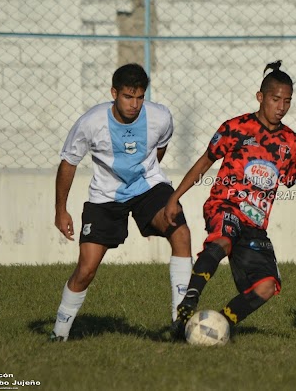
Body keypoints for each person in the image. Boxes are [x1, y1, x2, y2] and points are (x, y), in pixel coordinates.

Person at [164, 60, 296, 340]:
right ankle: (188, 303)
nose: (282, 107)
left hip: (254, 224)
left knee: (267, 286)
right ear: (261, 97)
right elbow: (204, 162)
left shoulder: (292, 143)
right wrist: (175, 197)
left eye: (287, 101)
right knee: (222, 240)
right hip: (224, 206)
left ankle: (221, 323)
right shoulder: (236, 128)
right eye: (276, 99)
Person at [50, 63, 192, 341]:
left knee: (181, 232)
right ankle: (59, 334)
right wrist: (60, 210)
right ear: (114, 93)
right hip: (105, 197)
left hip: (147, 187)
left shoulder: (160, 116)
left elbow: (161, 145)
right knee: (86, 269)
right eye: (128, 97)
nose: (135, 104)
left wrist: (149, 177)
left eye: (140, 97)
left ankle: (180, 322)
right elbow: (68, 163)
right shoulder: (91, 123)